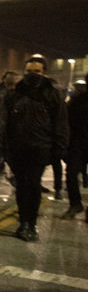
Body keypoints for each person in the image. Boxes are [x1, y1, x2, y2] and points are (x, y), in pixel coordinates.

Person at [0, 56, 69, 241]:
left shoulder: (52, 94)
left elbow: (61, 122)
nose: (32, 75)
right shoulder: (13, 94)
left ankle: (31, 223)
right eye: (29, 71)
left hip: (41, 148)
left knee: (33, 184)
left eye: (37, 72)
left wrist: (59, 147)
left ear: (44, 73)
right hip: (17, 148)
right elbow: (2, 121)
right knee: (21, 185)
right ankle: (23, 223)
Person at [60, 82, 88, 220]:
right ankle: (75, 204)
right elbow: (66, 121)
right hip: (77, 143)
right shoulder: (77, 100)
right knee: (71, 174)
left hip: (78, 143)